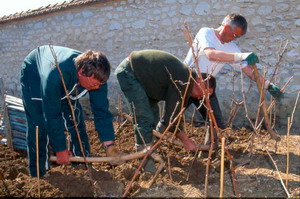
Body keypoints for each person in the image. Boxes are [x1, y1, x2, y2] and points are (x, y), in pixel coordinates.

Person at [20, 45, 122, 177]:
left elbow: (101, 110)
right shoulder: (54, 76)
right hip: (35, 74)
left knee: (74, 117)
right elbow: (51, 115)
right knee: (38, 124)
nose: (97, 88)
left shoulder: (98, 76)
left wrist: (109, 145)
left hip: (67, 80)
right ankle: (39, 173)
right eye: (93, 84)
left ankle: (83, 165)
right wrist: (60, 149)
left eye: (99, 84)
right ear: (81, 73)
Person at [115, 49, 215, 172]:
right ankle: (145, 164)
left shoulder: (186, 80)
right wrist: (185, 140)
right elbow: (171, 120)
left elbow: (175, 112)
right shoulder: (183, 79)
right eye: (203, 93)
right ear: (199, 81)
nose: (201, 98)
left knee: (153, 117)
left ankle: (149, 152)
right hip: (130, 72)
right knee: (144, 118)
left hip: (144, 81)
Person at [184, 13, 283, 128]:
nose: (235, 39)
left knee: (217, 125)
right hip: (187, 81)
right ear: (226, 27)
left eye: (238, 37)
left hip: (205, 87)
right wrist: (241, 56)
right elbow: (210, 54)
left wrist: (268, 85)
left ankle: (212, 145)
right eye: (235, 35)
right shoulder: (206, 33)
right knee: (169, 119)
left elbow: (249, 71)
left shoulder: (232, 48)